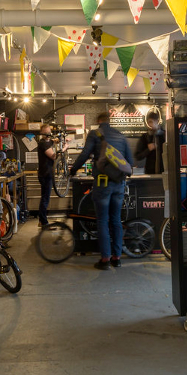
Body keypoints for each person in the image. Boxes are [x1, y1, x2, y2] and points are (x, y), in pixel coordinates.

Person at [69, 112, 134, 270]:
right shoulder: (121, 135)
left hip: (102, 184)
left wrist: (73, 170)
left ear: (98, 121)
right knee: (116, 220)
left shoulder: (95, 133)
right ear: (109, 121)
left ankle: (105, 259)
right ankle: (116, 258)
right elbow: (130, 162)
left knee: (103, 221)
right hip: (119, 184)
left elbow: (85, 154)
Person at [36, 122, 56, 228]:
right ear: (43, 133)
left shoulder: (47, 142)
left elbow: (52, 141)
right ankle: (43, 221)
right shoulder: (43, 143)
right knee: (45, 198)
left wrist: (57, 140)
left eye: (50, 131)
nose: (49, 133)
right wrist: (65, 148)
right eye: (47, 132)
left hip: (47, 173)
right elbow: (53, 156)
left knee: (45, 197)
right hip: (45, 174)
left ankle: (41, 220)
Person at [135, 110, 164, 175]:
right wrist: (148, 150)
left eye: (151, 122)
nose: (149, 125)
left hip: (164, 171)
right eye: (148, 122)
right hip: (150, 172)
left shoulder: (164, 135)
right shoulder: (145, 137)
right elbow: (138, 156)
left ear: (157, 121)